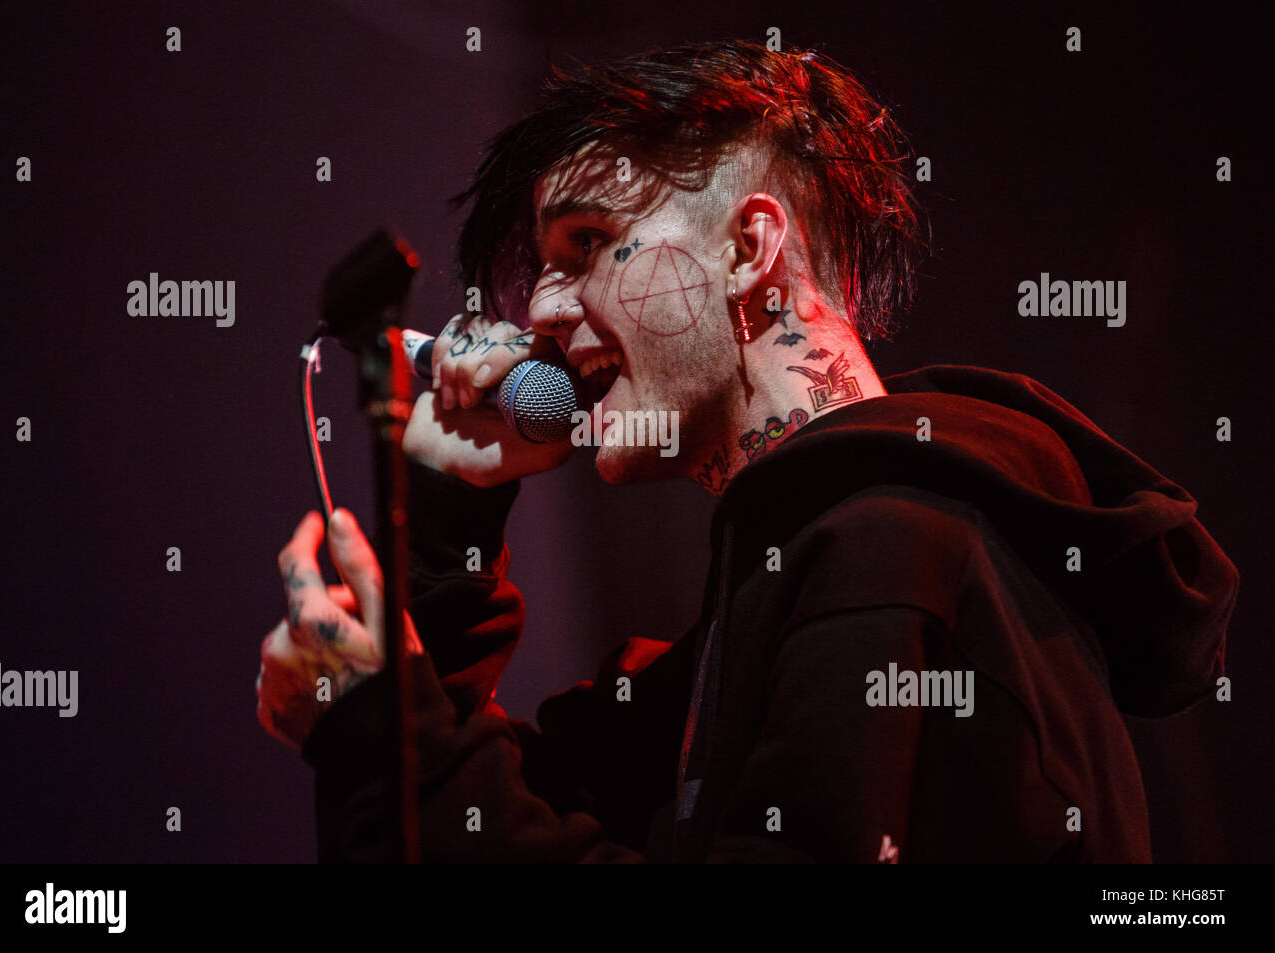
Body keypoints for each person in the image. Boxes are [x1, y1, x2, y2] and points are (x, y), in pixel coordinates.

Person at [256, 40, 1238, 862]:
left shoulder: (895, 550)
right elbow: (487, 817)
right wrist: (449, 527)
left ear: (748, 249)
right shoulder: (770, 602)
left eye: (587, 246)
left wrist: (383, 736)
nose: (540, 314)